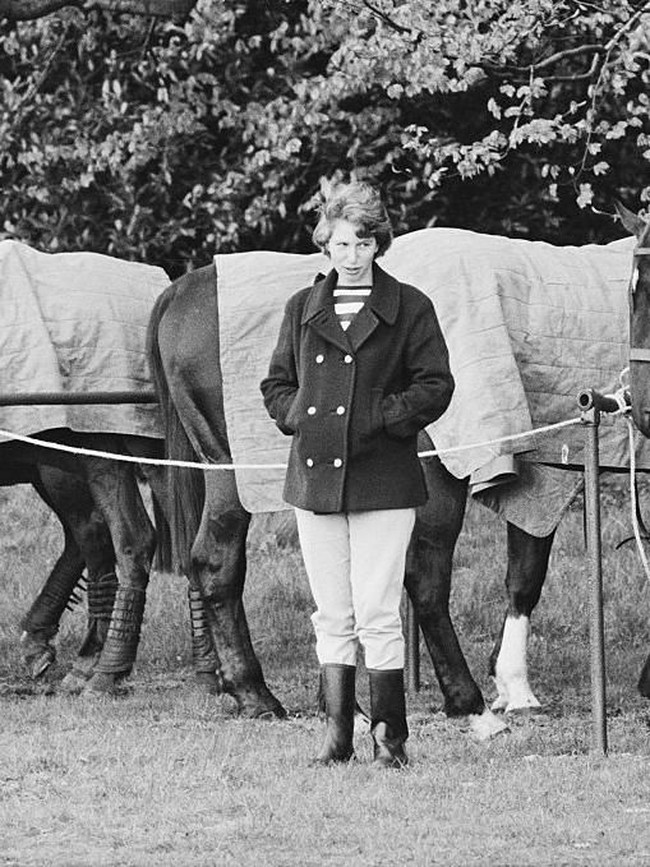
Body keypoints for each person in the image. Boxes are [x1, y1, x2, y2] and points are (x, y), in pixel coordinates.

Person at [260, 181, 454, 768]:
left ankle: (390, 740)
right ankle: (336, 737)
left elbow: (436, 385)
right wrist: (300, 418)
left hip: (383, 478)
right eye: (341, 243)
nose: (351, 256)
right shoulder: (302, 308)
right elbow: (276, 385)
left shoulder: (409, 306)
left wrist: (380, 417)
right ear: (325, 244)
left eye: (363, 243)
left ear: (378, 244)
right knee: (332, 611)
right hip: (314, 478)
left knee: (375, 609)